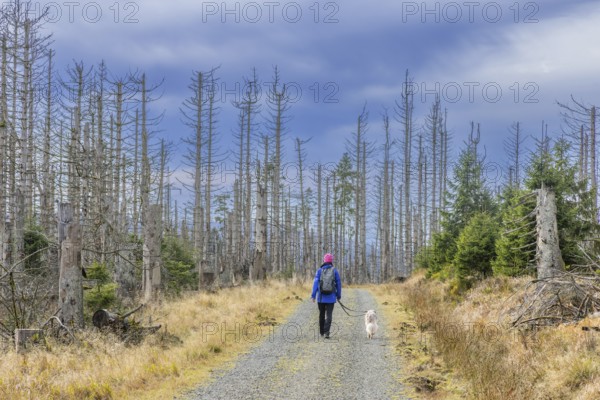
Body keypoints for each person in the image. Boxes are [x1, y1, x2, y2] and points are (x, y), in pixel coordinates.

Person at [311, 253, 342, 339]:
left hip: (321, 297)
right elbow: (338, 284)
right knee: (329, 315)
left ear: (324, 261)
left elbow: (315, 283)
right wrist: (338, 295)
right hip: (331, 298)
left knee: (321, 314)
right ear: (331, 261)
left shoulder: (319, 271)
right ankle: (326, 332)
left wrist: (313, 295)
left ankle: (321, 332)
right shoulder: (334, 271)